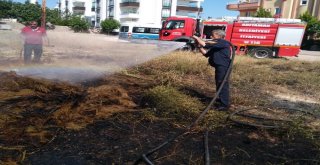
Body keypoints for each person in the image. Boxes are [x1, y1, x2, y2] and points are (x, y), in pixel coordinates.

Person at [192, 30, 232, 111]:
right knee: (219, 83)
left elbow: (205, 44)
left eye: (212, 35)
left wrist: (196, 38)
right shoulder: (216, 46)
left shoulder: (223, 42)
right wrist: (199, 46)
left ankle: (224, 105)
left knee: (222, 84)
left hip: (223, 67)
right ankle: (222, 99)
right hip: (219, 67)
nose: (211, 37)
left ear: (218, 35)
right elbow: (206, 54)